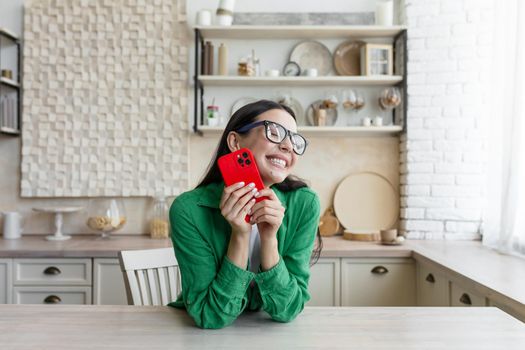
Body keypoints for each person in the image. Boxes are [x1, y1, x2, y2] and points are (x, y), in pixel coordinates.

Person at [169, 99, 322, 329]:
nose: (288, 146)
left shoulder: (304, 204)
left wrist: (269, 239)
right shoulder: (188, 210)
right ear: (235, 141)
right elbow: (210, 316)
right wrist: (239, 235)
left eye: (294, 140)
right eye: (275, 132)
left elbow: (288, 309)